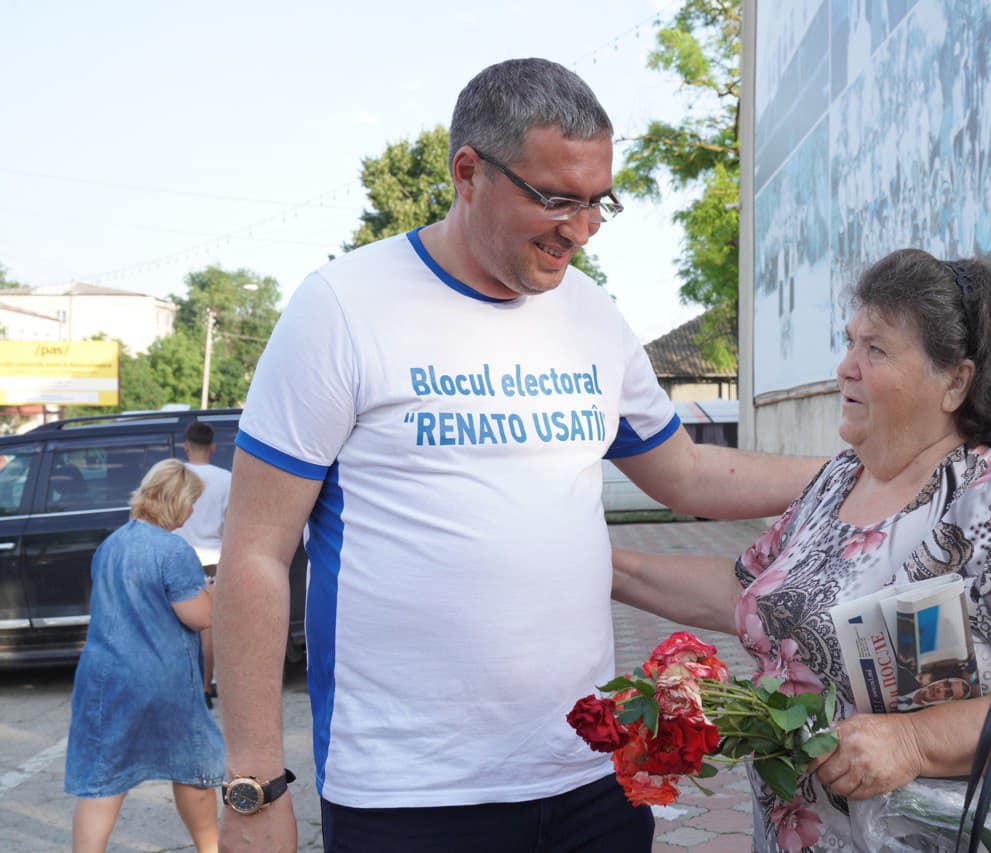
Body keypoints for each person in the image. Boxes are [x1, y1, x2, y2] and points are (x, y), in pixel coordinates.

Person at [214, 58, 822, 852]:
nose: (581, 228)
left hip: (592, 775)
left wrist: (859, 472)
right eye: (556, 199)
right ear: (468, 172)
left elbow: (688, 474)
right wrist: (254, 787)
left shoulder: (592, 314)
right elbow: (255, 552)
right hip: (410, 794)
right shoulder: (342, 308)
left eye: (598, 202)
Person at [613, 249, 991, 852]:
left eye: (876, 349)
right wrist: (607, 567)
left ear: (956, 381)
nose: (846, 367)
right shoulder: (838, 481)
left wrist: (915, 742)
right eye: (850, 342)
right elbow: (751, 591)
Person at [64, 459, 224, 853]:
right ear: (175, 501)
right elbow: (199, 617)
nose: (192, 511)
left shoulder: (111, 544)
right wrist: (213, 592)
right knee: (193, 768)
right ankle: (211, 849)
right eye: (191, 502)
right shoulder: (174, 550)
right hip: (161, 679)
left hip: (103, 679)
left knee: (103, 781)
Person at [173, 420, 232, 702]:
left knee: (176, 626)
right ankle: (207, 687)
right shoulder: (226, 479)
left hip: (176, 559)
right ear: (213, 448)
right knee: (207, 627)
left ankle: (184, 686)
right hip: (212, 559)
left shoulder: (176, 476)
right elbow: (231, 523)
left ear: (186, 446)